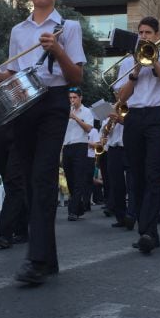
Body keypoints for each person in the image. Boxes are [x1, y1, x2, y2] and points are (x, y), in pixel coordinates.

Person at [0, 0, 84, 284]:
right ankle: (46, 258)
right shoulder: (18, 30)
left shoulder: (69, 27)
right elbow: (13, 73)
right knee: (27, 178)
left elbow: (76, 78)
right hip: (22, 103)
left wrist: (58, 50)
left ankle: (36, 259)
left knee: (43, 178)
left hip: (53, 102)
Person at [114, 16, 160, 254]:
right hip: (134, 118)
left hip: (157, 117)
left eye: (148, 33)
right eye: (140, 33)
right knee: (136, 175)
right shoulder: (127, 62)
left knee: (154, 173)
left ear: (157, 36)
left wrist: (153, 60)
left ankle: (147, 231)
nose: (143, 37)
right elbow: (122, 97)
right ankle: (149, 231)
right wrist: (136, 70)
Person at [63, 87, 94, 221]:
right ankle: (79, 206)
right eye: (70, 98)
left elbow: (88, 129)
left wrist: (75, 118)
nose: (72, 100)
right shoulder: (66, 111)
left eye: (74, 97)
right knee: (69, 179)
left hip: (80, 146)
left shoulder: (87, 112)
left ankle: (73, 211)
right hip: (67, 147)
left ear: (80, 98)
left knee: (78, 179)